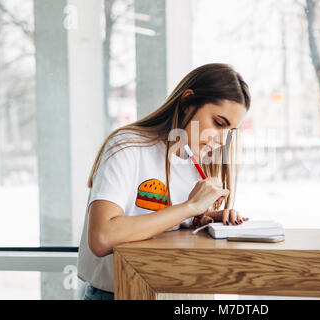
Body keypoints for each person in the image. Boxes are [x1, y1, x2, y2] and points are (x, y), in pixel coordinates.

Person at [77, 63, 251, 300]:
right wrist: (188, 208)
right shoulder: (128, 147)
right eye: (219, 123)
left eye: (231, 131)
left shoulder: (196, 161)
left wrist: (198, 220)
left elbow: (164, 226)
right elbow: (102, 238)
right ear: (188, 102)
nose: (223, 139)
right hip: (118, 293)